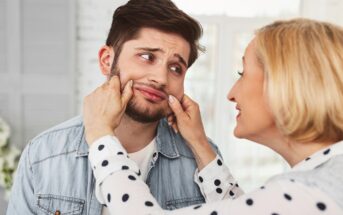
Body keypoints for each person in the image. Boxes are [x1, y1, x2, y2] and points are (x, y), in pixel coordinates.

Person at [83, 18, 343, 214]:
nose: (231, 93)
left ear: (288, 84)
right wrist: (199, 144)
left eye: (243, 74)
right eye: (147, 57)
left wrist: (101, 134)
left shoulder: (310, 193)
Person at [7, 0, 242, 214]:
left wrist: (199, 144)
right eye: (147, 57)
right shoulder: (43, 155)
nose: (160, 78)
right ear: (107, 60)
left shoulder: (204, 160)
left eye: (175, 68)